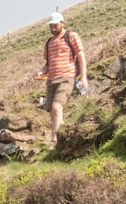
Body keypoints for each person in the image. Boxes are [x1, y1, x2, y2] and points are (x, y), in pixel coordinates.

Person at [37, 12, 87, 143]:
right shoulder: (48, 42)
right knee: (52, 111)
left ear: (62, 23)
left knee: (56, 107)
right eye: (51, 26)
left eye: (55, 26)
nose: (53, 29)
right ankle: (63, 135)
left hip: (67, 77)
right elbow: (48, 64)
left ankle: (55, 140)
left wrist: (84, 78)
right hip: (51, 80)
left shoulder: (70, 36)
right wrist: (42, 72)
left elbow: (81, 56)